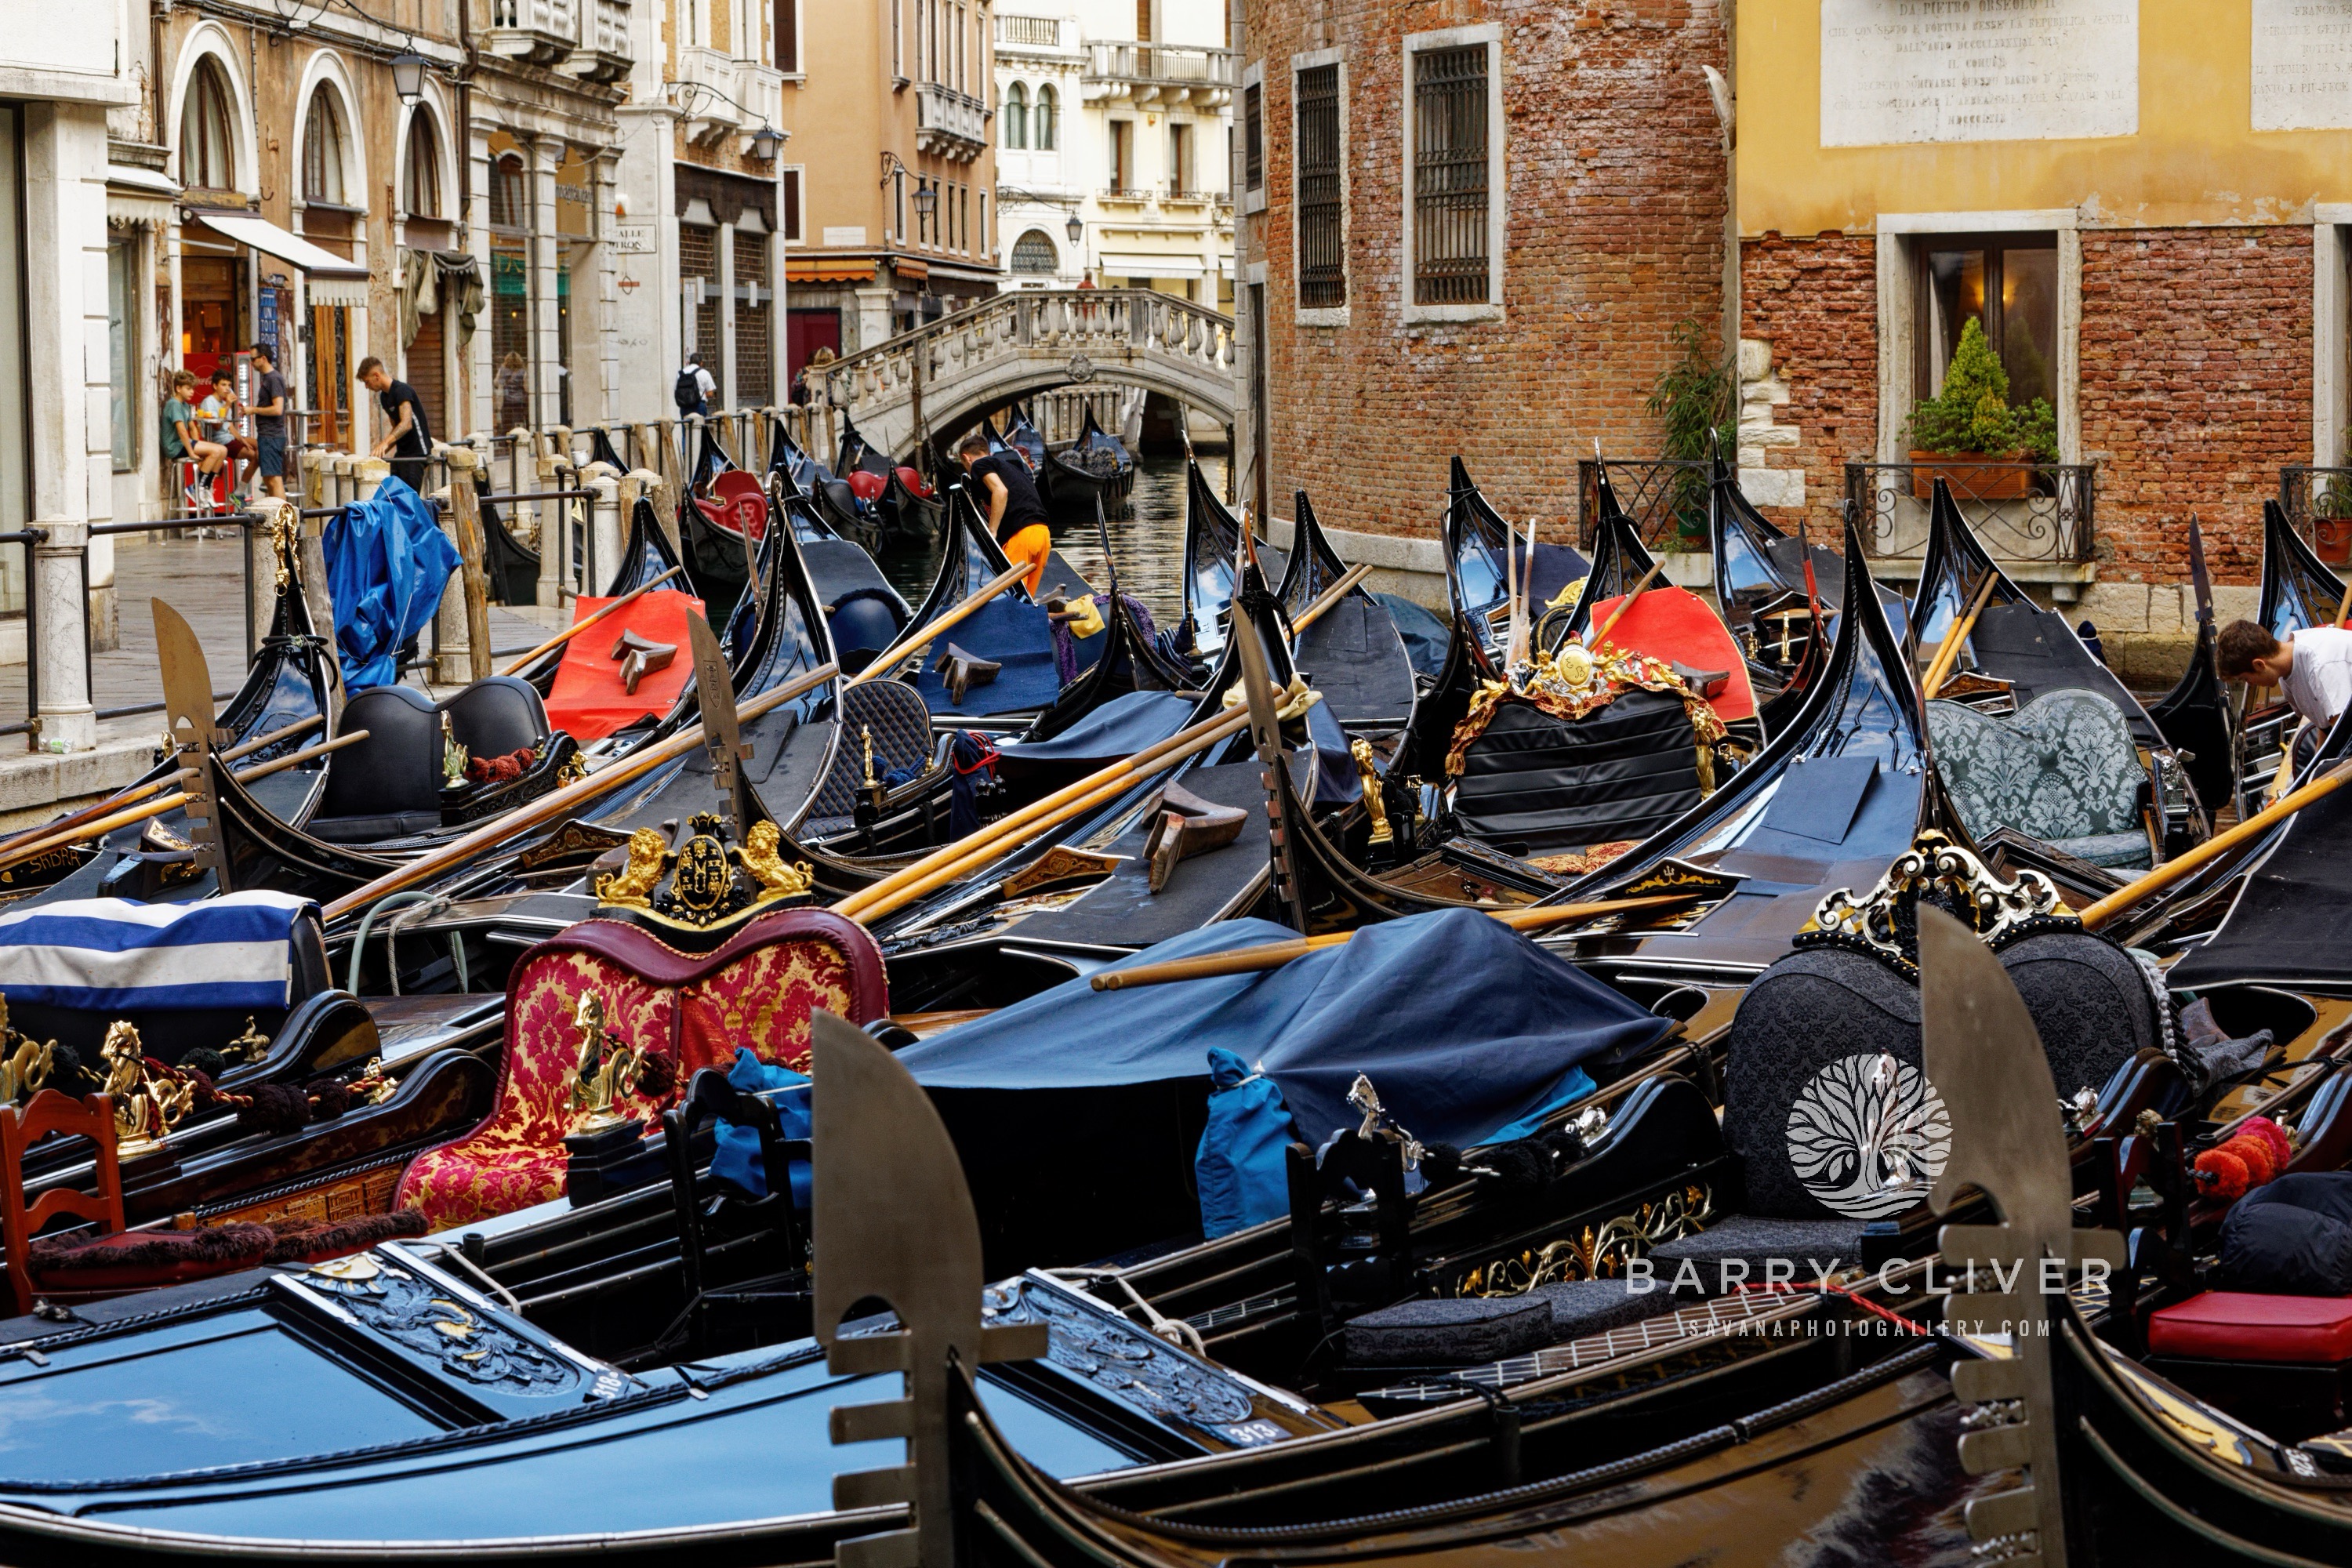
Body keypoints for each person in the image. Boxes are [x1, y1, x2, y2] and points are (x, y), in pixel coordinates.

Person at [957, 430, 1052, 595]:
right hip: (1042, 536)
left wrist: (992, 532)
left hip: (1021, 538)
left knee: (1010, 601)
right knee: (1025, 603)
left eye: (964, 464)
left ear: (967, 458)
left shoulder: (979, 465)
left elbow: (1001, 492)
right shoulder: (1012, 469)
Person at [2219, 618, 2352, 734]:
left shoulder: (2320, 664)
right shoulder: (2286, 673)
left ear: (2259, 665)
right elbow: (2325, 726)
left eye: (2245, 678)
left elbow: (2344, 736)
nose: (2251, 684)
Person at [356, 356, 432, 494]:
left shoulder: (402, 390)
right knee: (391, 495)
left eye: (367, 382)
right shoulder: (384, 397)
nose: (367, 387)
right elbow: (396, 429)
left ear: (377, 376)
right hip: (402, 454)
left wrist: (384, 443)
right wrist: (379, 451)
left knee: (409, 501)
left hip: (417, 454)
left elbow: (406, 424)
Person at [162, 369, 225, 513]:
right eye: (188, 389)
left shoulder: (185, 405)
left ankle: (206, 488)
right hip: (174, 446)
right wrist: (192, 452)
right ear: (178, 388)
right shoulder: (174, 404)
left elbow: (192, 428)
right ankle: (195, 488)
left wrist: (199, 446)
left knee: (222, 450)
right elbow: (181, 430)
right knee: (215, 451)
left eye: (193, 389)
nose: (192, 392)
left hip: (184, 443)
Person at [198, 368, 255, 503]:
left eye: (229, 385)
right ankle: (239, 492)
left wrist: (242, 439)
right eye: (223, 385)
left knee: (261, 447)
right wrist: (228, 404)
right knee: (255, 455)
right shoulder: (209, 402)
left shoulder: (223, 403)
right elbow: (217, 426)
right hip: (219, 440)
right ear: (215, 386)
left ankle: (241, 490)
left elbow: (229, 426)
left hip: (229, 437)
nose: (227, 388)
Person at [247, 344, 290, 499]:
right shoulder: (269, 379)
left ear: (263, 358)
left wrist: (253, 410)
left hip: (272, 435)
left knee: (274, 479)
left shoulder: (273, 379)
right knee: (269, 479)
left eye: (253, 359)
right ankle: (277, 519)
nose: (251, 363)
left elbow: (278, 409)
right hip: (267, 435)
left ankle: (284, 521)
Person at [495, 350, 528, 433]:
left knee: (507, 423)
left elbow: (496, 383)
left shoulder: (502, 370)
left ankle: (506, 440)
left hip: (506, 401)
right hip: (519, 401)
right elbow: (526, 386)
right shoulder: (523, 371)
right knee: (518, 422)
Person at [675, 352, 715, 419]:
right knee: (699, 427)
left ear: (690, 362)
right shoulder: (704, 373)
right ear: (701, 363)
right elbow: (710, 394)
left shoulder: (680, 373)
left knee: (686, 427)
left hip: (684, 407)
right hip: (699, 406)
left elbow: (676, 390)